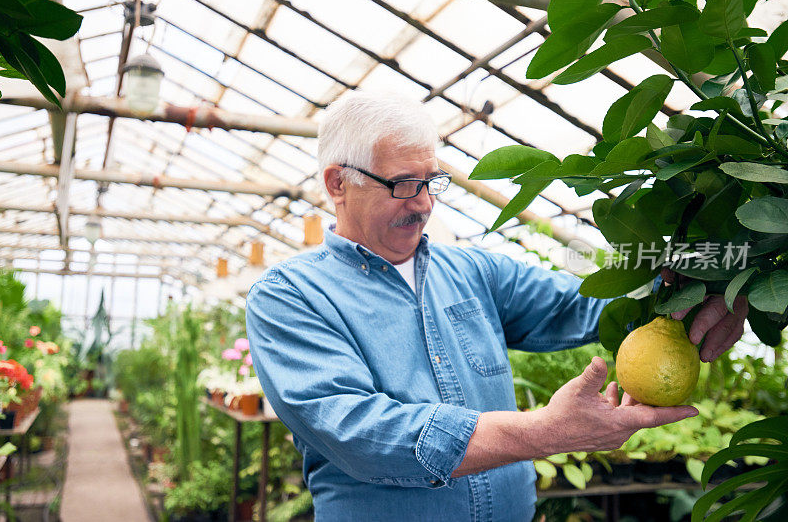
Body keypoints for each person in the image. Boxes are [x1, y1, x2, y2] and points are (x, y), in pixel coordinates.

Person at [245, 91, 748, 522]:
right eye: (402, 185)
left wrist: (705, 283)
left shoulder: (472, 272)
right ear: (338, 183)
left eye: (432, 182)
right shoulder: (290, 298)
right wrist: (545, 433)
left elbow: (582, 303)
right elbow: (361, 433)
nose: (424, 204)